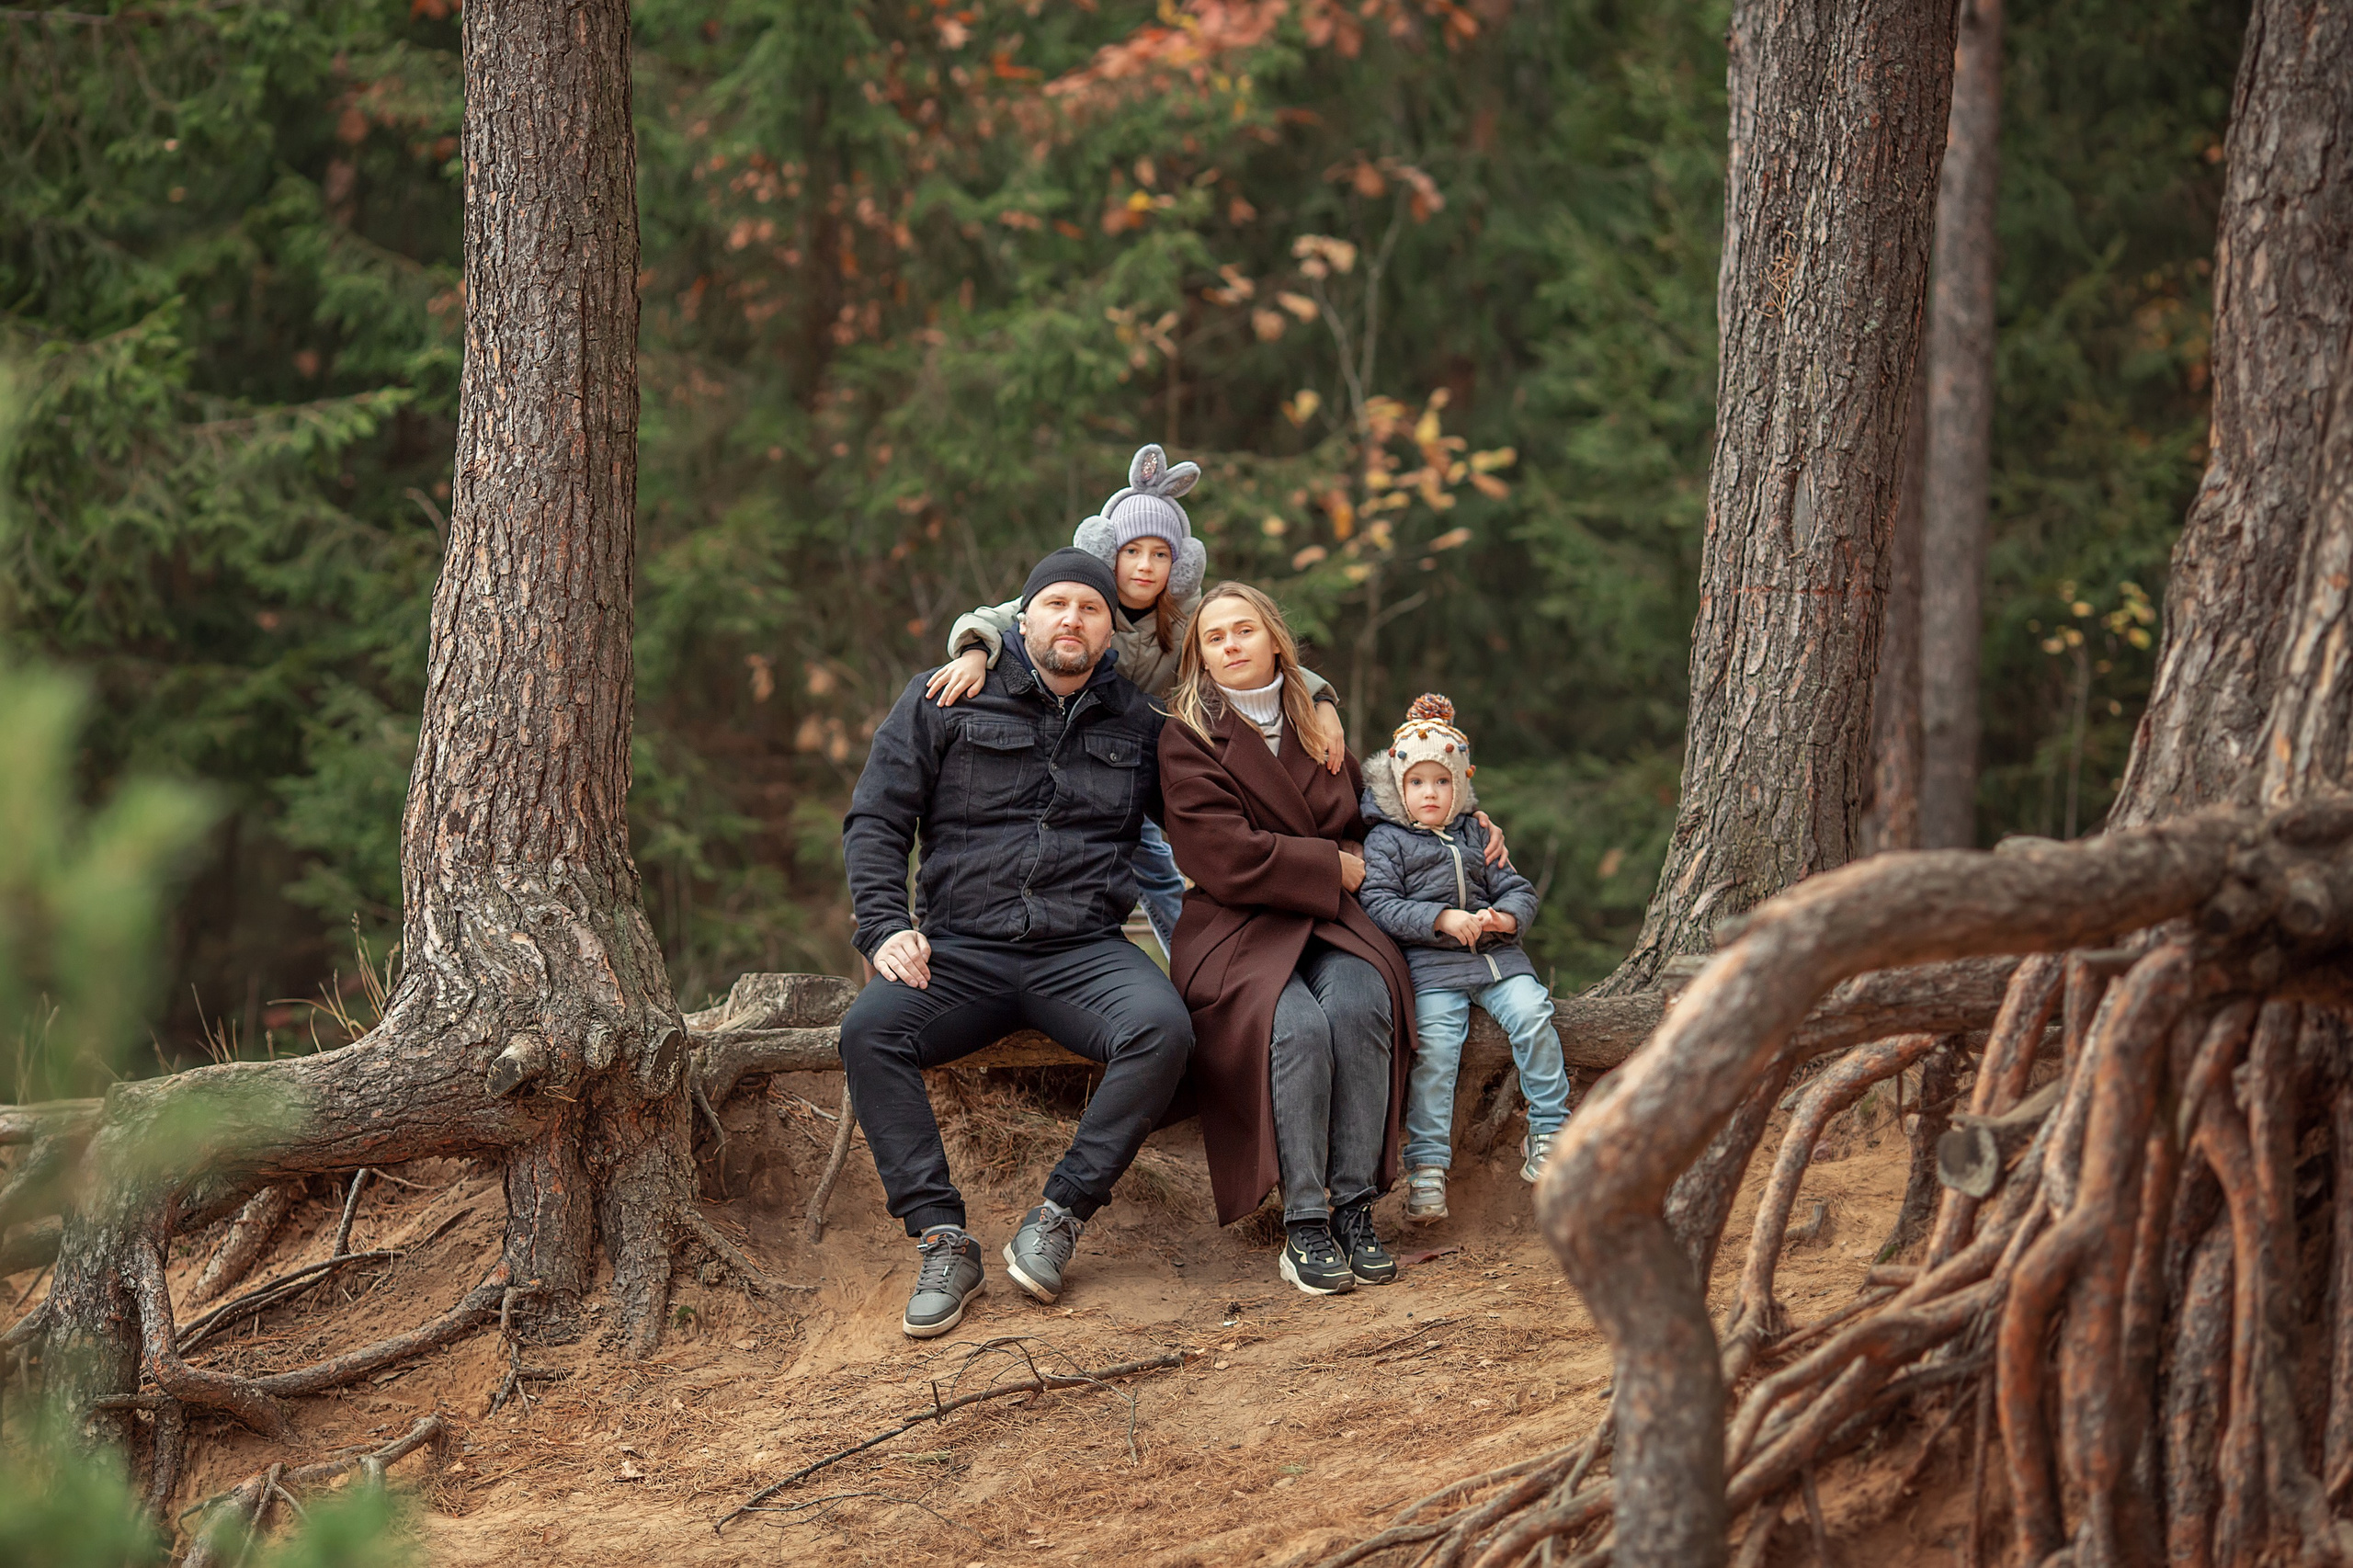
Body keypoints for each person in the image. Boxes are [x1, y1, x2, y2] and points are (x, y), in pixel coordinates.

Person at [838, 547, 1195, 1338]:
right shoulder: (945, 695)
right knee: (869, 1031)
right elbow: (878, 819)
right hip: (961, 949)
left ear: (1110, 632)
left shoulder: (1142, 725)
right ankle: (942, 1238)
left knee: (1162, 1028)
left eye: (1091, 609)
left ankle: (1061, 1214)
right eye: (1057, 604)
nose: (1073, 619)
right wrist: (886, 926)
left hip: (1083, 952)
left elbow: (1213, 822)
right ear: (1022, 617)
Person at [926, 445, 1348, 958]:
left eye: (1161, 555)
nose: (1146, 566)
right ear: (1108, 551)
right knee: (1104, 861)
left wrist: (1321, 700)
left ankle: (1200, 962)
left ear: (1180, 565)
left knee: (1175, 866)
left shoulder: (1186, 618)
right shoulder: (1079, 597)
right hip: (1067, 750)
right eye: (1132, 551)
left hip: (1135, 759)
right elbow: (998, 618)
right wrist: (975, 652)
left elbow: (1251, 654)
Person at [1156, 582, 1419, 1297]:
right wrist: (1327, 865)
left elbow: (1369, 819)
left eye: (1244, 630)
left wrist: (1466, 823)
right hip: (1234, 925)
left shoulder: (1315, 722)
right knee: (1295, 1025)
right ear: (1201, 658)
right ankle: (1304, 1220)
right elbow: (1222, 854)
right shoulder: (1186, 734)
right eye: (1214, 638)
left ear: (1275, 641)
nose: (1231, 645)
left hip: (1331, 919)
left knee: (1364, 1000)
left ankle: (1355, 1206)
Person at [1358, 694, 1574, 1221]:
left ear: (1460, 785)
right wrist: (1440, 918)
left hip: (1499, 962)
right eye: (1417, 782)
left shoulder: (1477, 832)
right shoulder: (1386, 840)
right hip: (1433, 970)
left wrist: (1506, 918)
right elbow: (1379, 903)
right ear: (1398, 786)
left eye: (1442, 781)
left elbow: (1517, 888)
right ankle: (1428, 1167)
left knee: (1534, 1015)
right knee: (1435, 1051)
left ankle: (1549, 1130)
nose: (1430, 793)